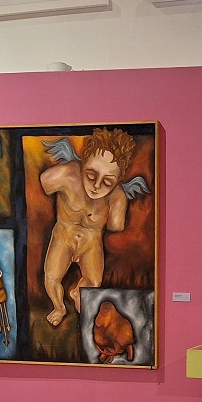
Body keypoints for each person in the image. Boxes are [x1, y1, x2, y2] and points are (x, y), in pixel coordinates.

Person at [39, 128, 148, 327]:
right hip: (63, 236)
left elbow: (116, 225)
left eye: (107, 182)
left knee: (93, 284)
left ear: (118, 180)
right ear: (83, 164)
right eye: (91, 175)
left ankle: (76, 294)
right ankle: (59, 307)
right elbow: (44, 182)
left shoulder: (117, 196)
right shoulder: (67, 174)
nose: (97, 186)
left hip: (91, 243)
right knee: (51, 277)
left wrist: (115, 201)